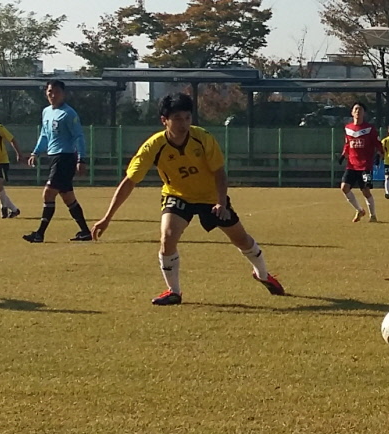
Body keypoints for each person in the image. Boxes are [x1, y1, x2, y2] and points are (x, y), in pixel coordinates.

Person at [90, 91, 285, 305]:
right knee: (168, 237)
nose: (183, 124)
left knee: (241, 239)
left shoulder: (203, 138)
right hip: (177, 195)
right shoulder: (153, 146)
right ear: (164, 121)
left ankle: (263, 274)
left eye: (187, 118)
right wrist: (107, 217)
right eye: (177, 119)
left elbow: (219, 172)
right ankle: (173, 291)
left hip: (211, 197)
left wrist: (221, 201)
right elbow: (129, 181)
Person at [23, 78, 93, 243]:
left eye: (56, 92)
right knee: (68, 197)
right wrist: (36, 152)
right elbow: (44, 135)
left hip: (65, 158)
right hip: (53, 157)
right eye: (50, 92)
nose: (52, 95)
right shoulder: (46, 112)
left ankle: (39, 233)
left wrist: (81, 159)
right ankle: (85, 232)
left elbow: (78, 137)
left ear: (63, 94)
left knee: (48, 193)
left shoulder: (69, 114)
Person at [337, 104, 379, 222]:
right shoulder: (348, 128)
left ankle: (373, 215)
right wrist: (343, 155)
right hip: (351, 164)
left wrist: (380, 154)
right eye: (355, 109)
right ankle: (360, 210)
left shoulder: (369, 128)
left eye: (360, 109)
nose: (357, 111)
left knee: (365, 190)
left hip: (365, 165)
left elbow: (377, 144)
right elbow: (347, 144)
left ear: (364, 113)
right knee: (344, 187)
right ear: (352, 112)